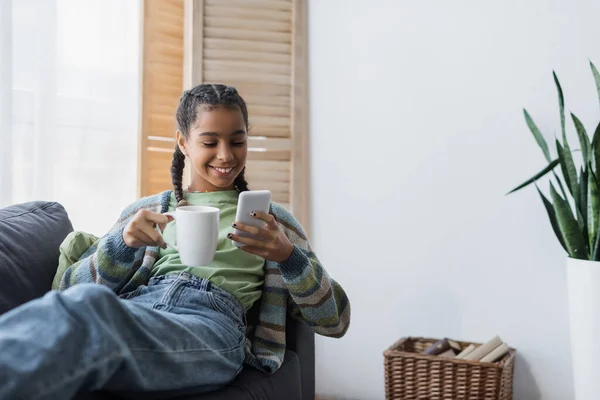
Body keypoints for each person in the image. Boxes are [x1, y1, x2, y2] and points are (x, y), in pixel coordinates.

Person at [0, 83, 350, 400]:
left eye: (238, 141)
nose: (226, 155)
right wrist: (122, 245)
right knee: (89, 306)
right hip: (141, 307)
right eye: (210, 142)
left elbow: (334, 320)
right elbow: (65, 291)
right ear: (183, 142)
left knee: (95, 317)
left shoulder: (273, 222)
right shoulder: (147, 211)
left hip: (213, 324)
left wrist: (288, 256)